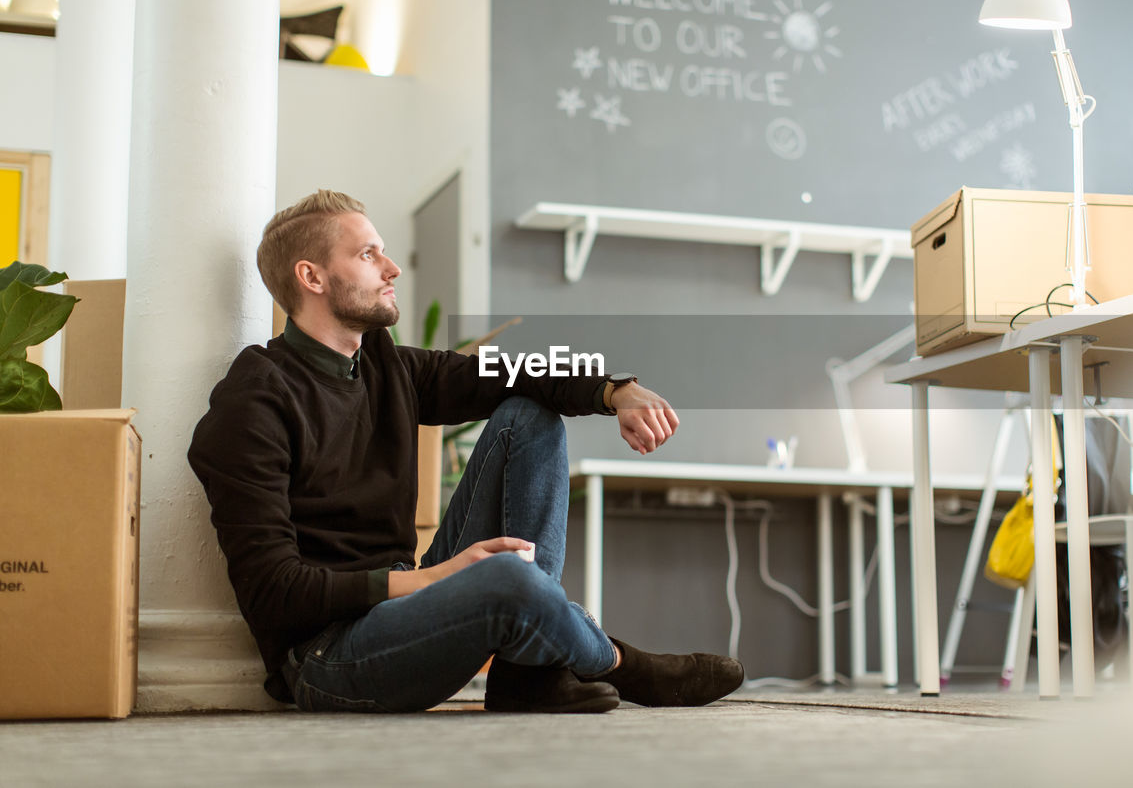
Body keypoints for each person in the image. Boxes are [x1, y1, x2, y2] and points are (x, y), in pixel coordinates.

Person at [188, 190, 744, 713]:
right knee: (507, 579)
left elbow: (516, 371)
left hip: (403, 604)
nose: (392, 268)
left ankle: (527, 674)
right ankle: (623, 662)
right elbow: (275, 591)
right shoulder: (253, 400)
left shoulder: (387, 367)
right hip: (326, 655)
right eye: (367, 254)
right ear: (311, 277)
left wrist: (615, 390)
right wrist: (434, 580)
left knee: (527, 414)